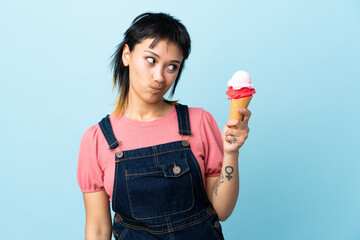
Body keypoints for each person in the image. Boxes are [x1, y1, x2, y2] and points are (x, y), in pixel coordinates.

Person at [77, 12, 251, 240]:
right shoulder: (97, 139)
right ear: (127, 54)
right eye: (151, 60)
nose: (160, 77)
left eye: (172, 67)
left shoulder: (199, 121)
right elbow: (98, 230)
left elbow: (222, 211)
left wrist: (231, 153)